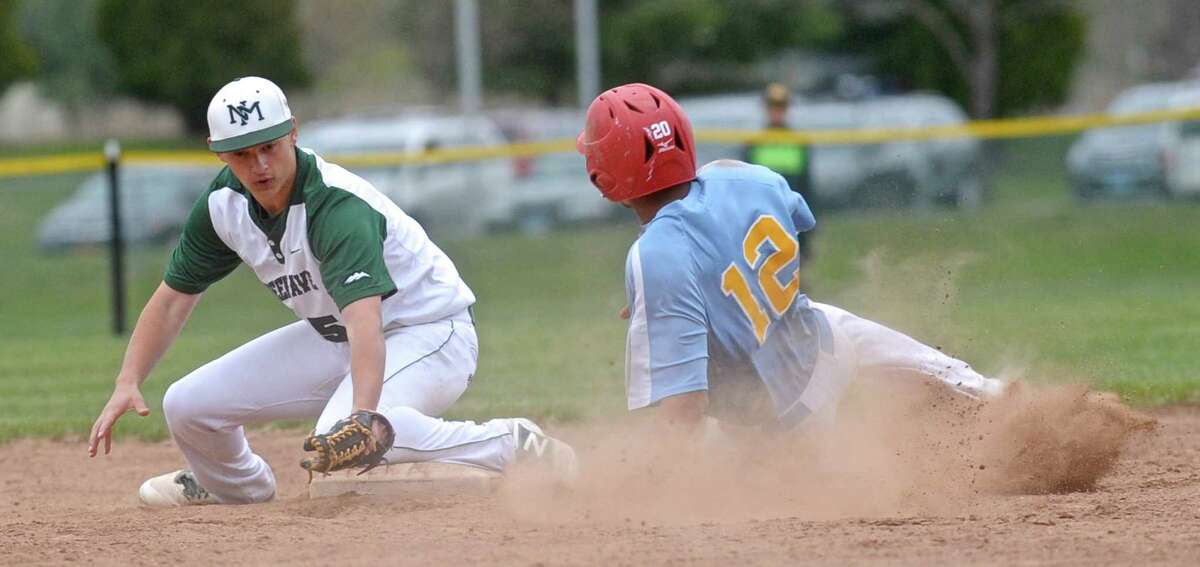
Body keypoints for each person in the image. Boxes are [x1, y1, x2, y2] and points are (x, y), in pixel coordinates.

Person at [88, 77, 576, 507]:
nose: (260, 165)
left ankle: (510, 443)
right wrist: (128, 379)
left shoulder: (335, 207)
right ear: (219, 153)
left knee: (341, 435)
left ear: (293, 133)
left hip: (429, 333)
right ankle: (236, 487)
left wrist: (363, 418)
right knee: (187, 406)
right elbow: (174, 298)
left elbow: (366, 319)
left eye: (270, 146)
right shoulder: (223, 206)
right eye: (242, 153)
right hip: (339, 337)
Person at [576, 83, 1004, 433]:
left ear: (607, 174)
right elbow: (794, 221)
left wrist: (645, 490)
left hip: (788, 423)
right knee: (976, 391)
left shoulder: (654, 255)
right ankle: (1002, 402)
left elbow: (686, 406)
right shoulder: (744, 174)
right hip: (828, 338)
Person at [743, 83, 814, 263]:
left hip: (791, 215)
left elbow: (806, 186)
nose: (776, 111)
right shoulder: (755, 143)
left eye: (780, 107)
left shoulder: (798, 142)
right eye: (772, 106)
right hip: (762, 217)